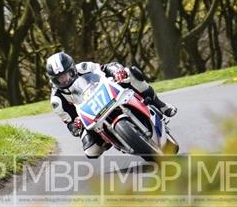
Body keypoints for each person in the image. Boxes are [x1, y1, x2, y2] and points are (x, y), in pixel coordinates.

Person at [46, 51, 177, 159]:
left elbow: (106, 67)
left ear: (72, 69)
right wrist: (76, 125)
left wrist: (117, 71)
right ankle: (111, 139)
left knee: (131, 72)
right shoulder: (56, 100)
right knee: (91, 151)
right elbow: (70, 124)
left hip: (107, 93)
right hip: (88, 115)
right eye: (60, 78)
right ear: (54, 80)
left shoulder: (84, 68)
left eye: (67, 74)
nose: (65, 79)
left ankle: (161, 105)